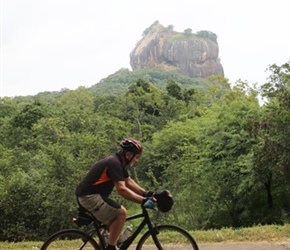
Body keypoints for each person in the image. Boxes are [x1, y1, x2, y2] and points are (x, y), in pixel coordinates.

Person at [75, 138, 155, 250]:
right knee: (121, 213)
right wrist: (142, 200)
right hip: (89, 197)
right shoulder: (114, 163)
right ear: (128, 154)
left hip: (90, 196)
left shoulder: (119, 163)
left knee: (112, 223)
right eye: (136, 157)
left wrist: (146, 193)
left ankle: (103, 246)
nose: (136, 160)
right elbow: (122, 189)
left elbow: (128, 181)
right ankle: (111, 247)